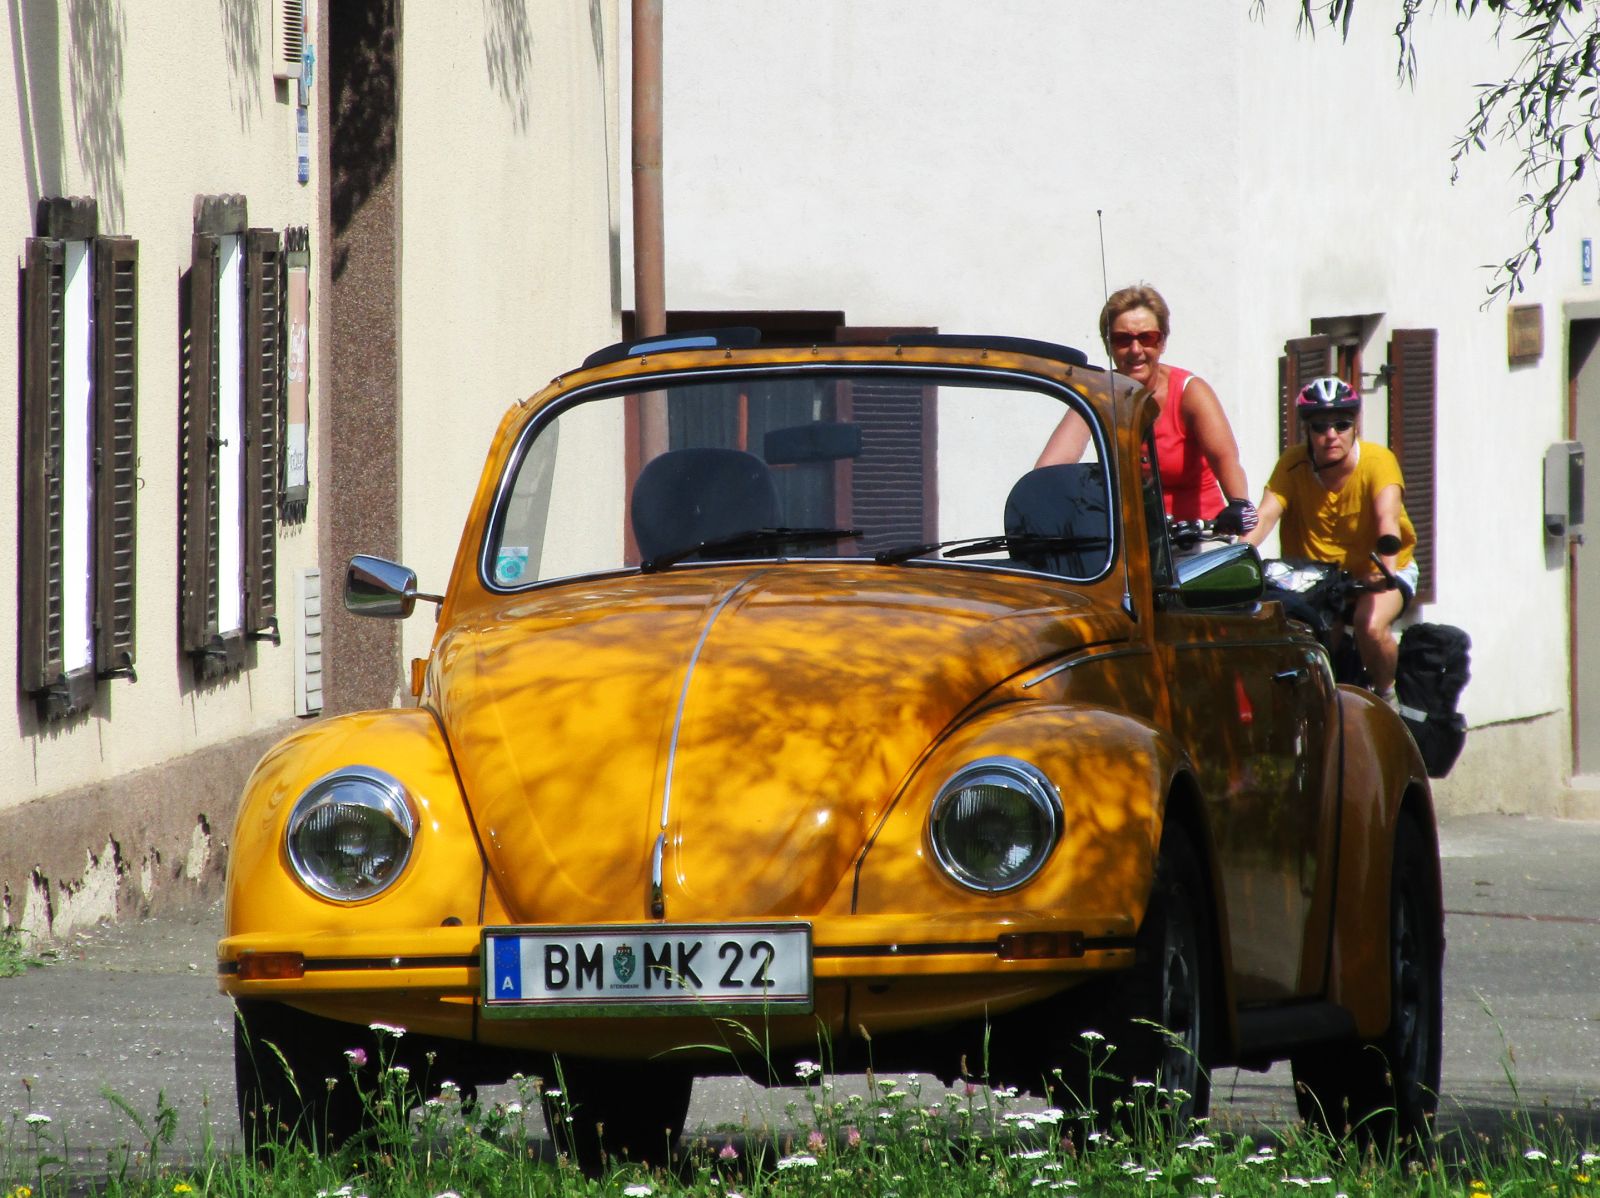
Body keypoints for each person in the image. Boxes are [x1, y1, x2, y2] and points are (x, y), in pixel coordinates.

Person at [1245, 376, 1419, 698]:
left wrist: (1387, 569)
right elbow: (1266, 514)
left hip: (1378, 573)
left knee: (1370, 626)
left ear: (1355, 426)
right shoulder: (1293, 463)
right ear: (1307, 431)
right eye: (1320, 427)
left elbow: (1387, 519)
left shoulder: (1378, 462)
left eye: (1341, 424)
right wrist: (1235, 555)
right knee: (1312, 641)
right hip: (1319, 579)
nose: (1331, 435)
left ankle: (1387, 699)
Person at [1037, 284, 1257, 535]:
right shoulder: (1100, 393)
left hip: (1197, 538)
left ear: (1162, 341)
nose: (1135, 350)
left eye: (1147, 338)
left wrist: (1240, 504)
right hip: (1133, 544)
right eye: (1122, 340)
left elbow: (1225, 459)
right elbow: (1049, 470)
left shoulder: (1190, 392)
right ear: (1109, 345)